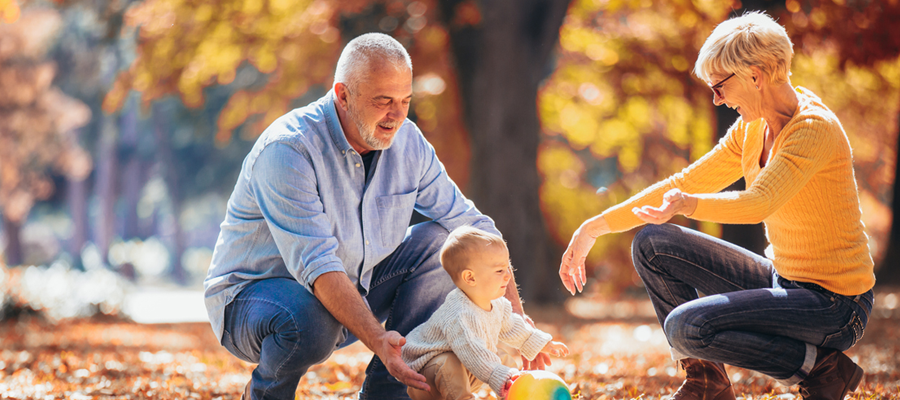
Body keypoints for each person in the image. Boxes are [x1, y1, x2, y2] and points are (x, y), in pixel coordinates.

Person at [203, 33, 541, 400]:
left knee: (444, 243)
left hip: (351, 290)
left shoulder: (408, 143)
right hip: (254, 301)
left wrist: (515, 319)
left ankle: (387, 394)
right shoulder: (289, 150)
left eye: (405, 101)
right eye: (383, 101)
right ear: (343, 95)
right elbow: (318, 266)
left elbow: (471, 225)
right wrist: (379, 339)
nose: (396, 116)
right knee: (308, 321)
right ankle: (265, 393)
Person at [558, 11, 875, 400]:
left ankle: (820, 369)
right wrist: (595, 226)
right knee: (652, 243)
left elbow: (758, 203)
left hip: (836, 306)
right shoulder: (751, 128)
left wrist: (689, 205)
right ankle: (708, 383)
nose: (717, 99)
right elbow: (683, 182)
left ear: (756, 76)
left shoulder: (813, 130)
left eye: (720, 87)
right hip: (784, 281)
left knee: (686, 328)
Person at [402, 226, 569, 400]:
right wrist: (504, 376)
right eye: (499, 271)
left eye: (507, 269)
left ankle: (513, 392)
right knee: (448, 364)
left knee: (503, 359)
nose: (507, 276)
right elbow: (473, 353)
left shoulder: (497, 304)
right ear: (470, 278)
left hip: (467, 367)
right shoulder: (459, 313)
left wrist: (542, 343)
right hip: (426, 376)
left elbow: (514, 328)